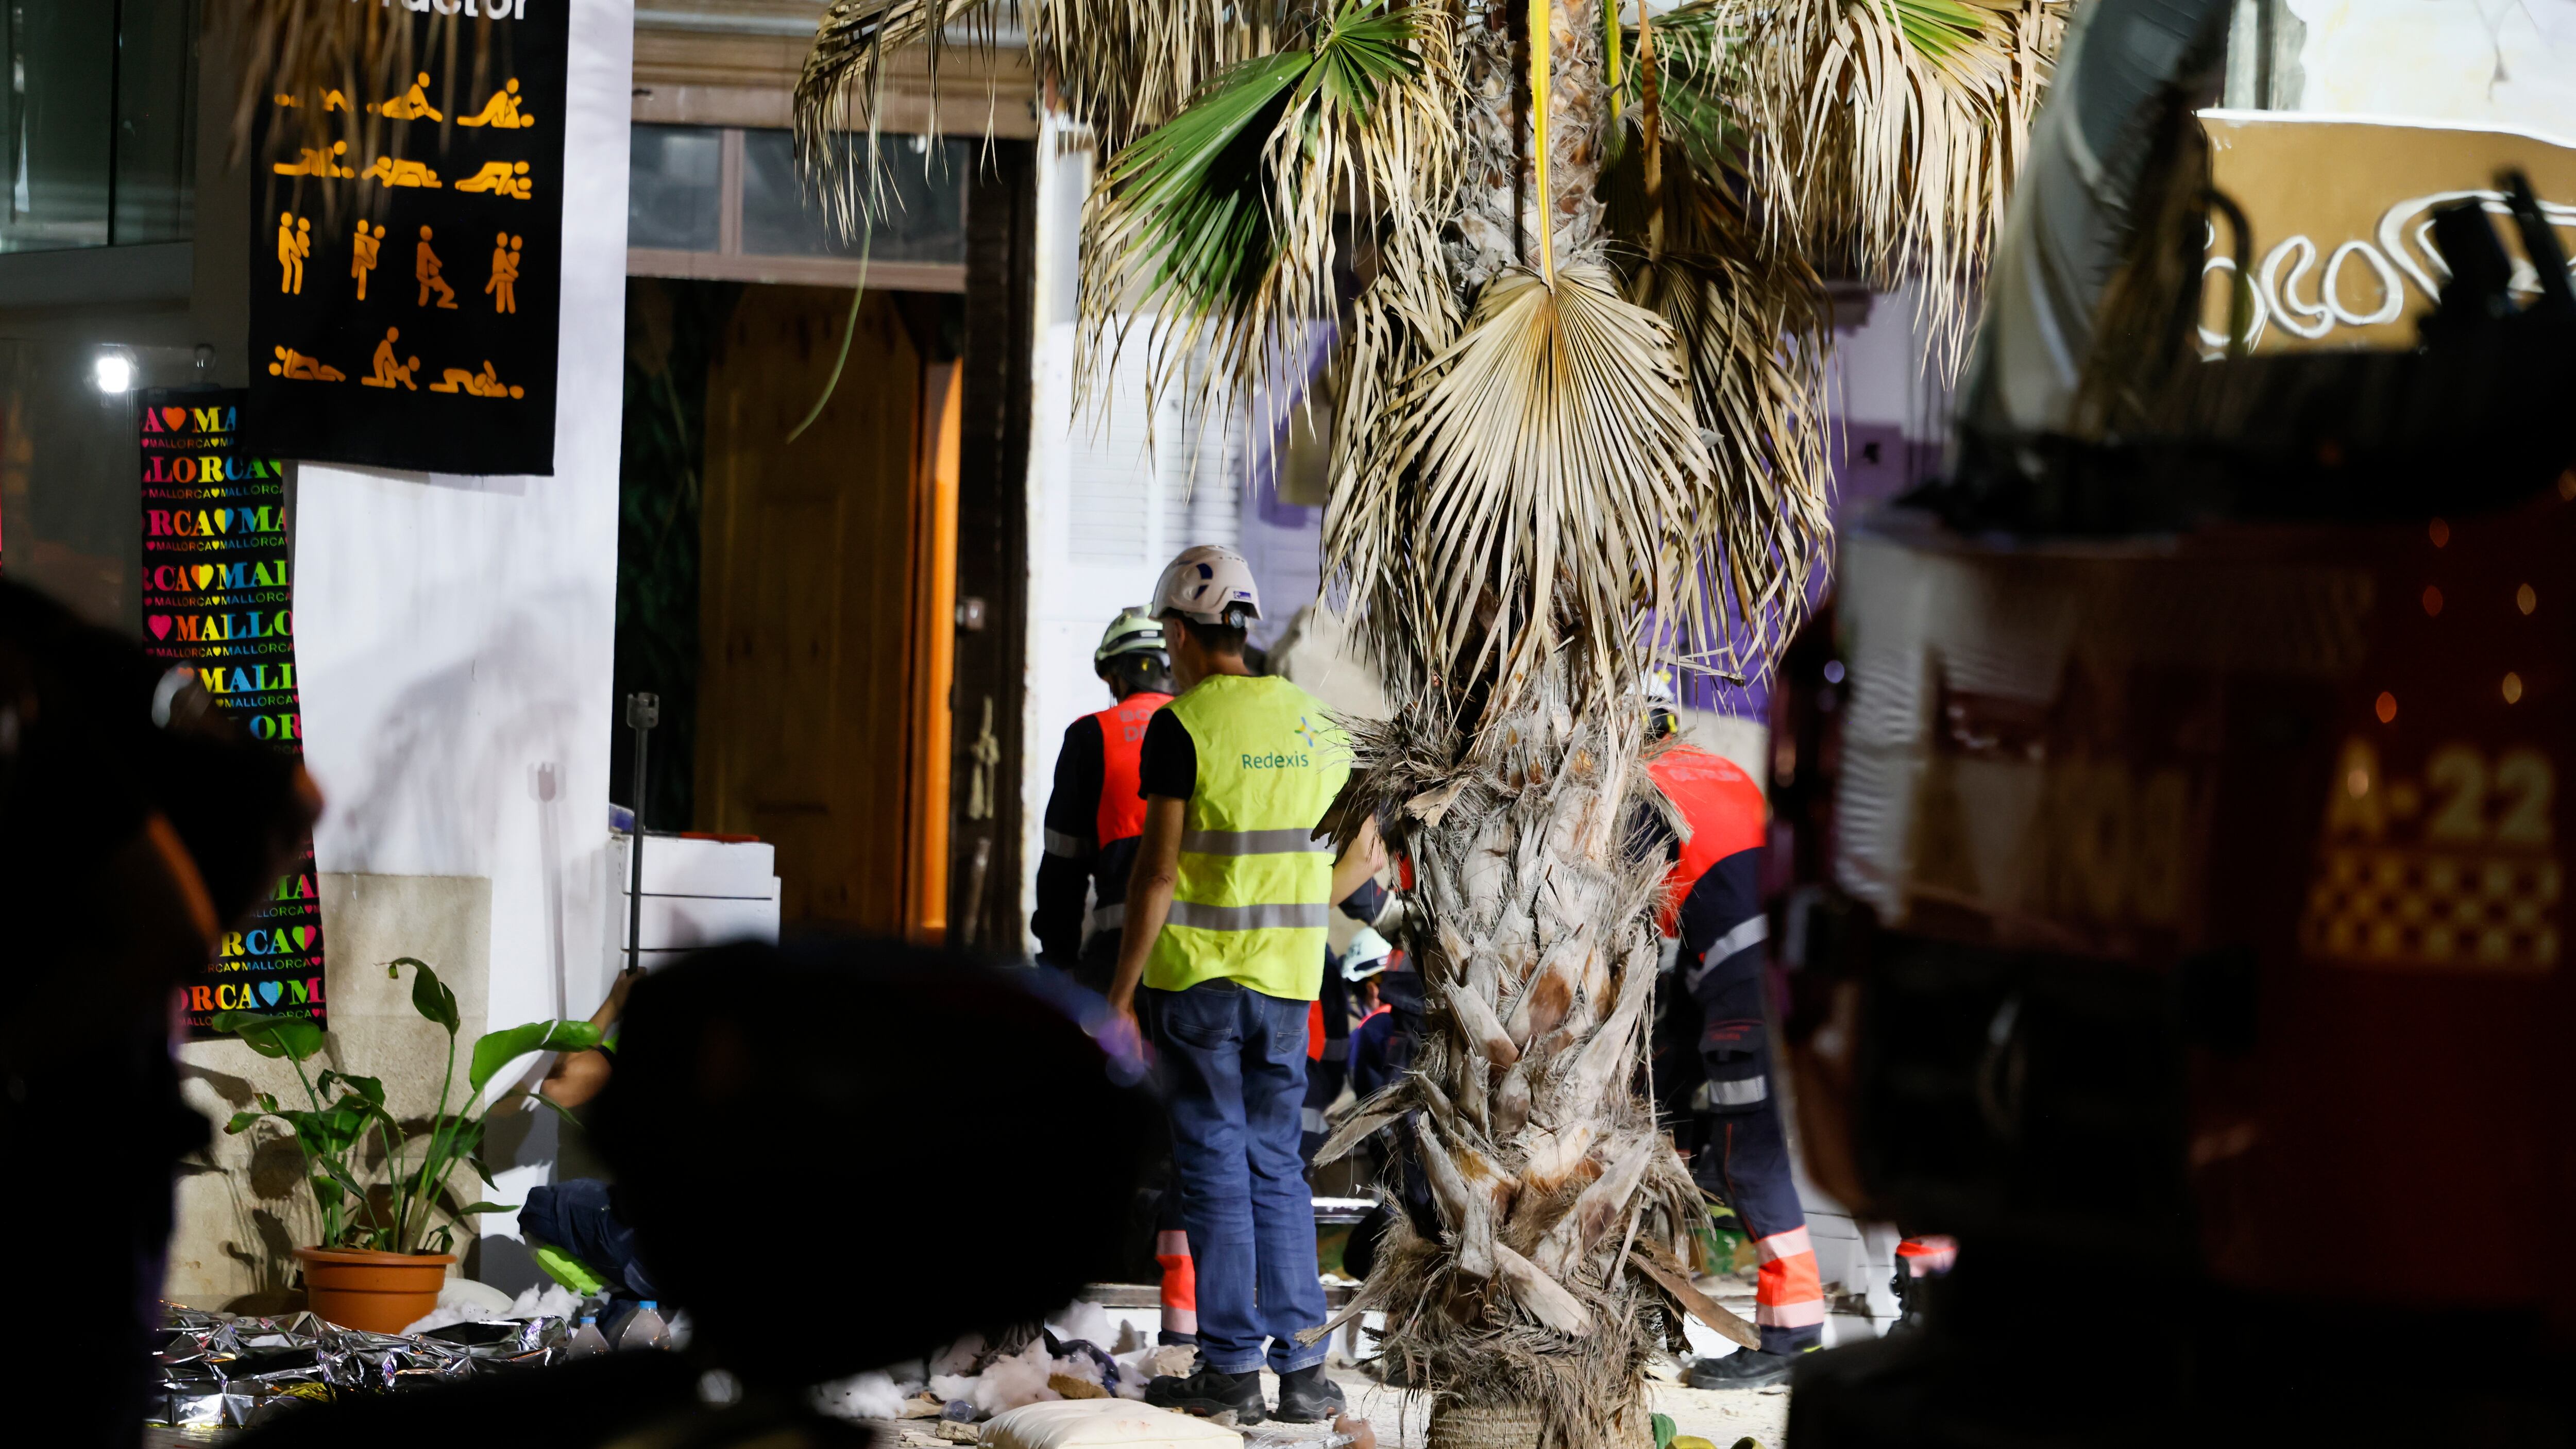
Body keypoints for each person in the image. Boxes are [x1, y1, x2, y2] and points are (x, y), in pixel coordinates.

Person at [1103, 544, 1378, 1426]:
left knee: (1217, 1165)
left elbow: (1154, 876)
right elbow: (1365, 856)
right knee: (1278, 1167)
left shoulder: (1184, 727)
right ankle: (1302, 1372)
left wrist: (1115, 998)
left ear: (1181, 634)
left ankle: (1229, 1371)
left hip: (1198, 990)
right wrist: (1302, 908)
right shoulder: (1316, 723)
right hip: (1287, 986)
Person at [1640, 694, 1825, 1390]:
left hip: (1741, 979)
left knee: (1750, 1159)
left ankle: (1789, 1334)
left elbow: (1647, 936)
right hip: (1792, 965)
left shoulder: (1638, 791)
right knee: (1741, 1153)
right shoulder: (1722, 771)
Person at [1034, 608, 1175, 993]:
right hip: (1205, 961)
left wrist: (1057, 958)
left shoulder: (1091, 735)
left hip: (1120, 951)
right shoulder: (1208, 727)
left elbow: (1064, 866)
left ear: (1117, 674)